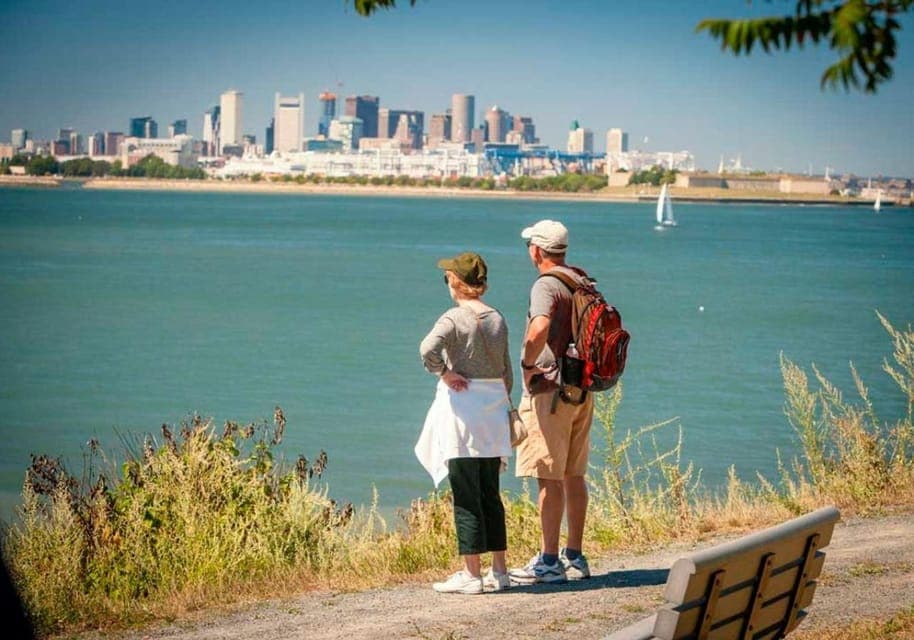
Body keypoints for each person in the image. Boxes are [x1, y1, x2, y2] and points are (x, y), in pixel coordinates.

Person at [416, 251, 514, 595]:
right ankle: (499, 571)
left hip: (463, 413)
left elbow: (427, 349)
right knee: (490, 493)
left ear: (456, 282)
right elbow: (506, 371)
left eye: (448, 277)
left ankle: (472, 574)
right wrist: (502, 404)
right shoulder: (497, 318)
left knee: (466, 495)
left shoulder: (454, 318)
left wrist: (445, 373)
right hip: (493, 412)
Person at [509, 219, 595, 584]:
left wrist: (529, 363)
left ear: (537, 251)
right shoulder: (581, 281)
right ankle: (574, 556)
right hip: (581, 390)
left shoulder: (546, 285)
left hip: (551, 392)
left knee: (548, 477)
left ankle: (547, 560)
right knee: (574, 475)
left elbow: (540, 327)